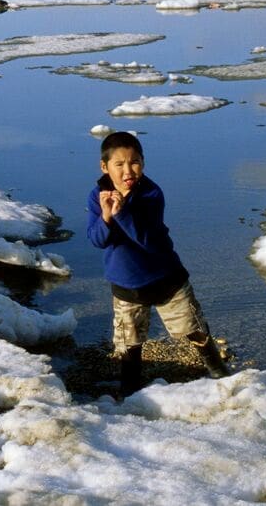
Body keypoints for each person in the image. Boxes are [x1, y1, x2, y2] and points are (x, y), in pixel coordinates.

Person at [86, 131, 229, 396]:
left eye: (135, 162)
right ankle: (130, 392)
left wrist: (123, 213)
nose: (128, 170)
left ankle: (218, 370)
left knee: (193, 329)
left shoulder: (151, 194)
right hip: (126, 284)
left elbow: (149, 241)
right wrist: (106, 217)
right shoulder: (98, 195)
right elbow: (97, 240)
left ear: (143, 162)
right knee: (130, 344)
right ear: (105, 167)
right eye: (119, 164)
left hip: (166, 279)